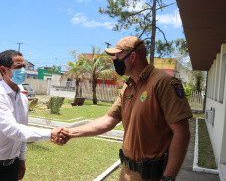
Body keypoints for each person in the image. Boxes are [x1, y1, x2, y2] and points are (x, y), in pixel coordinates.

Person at [54, 36, 192, 181]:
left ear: (132, 57)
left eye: (118, 56)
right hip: (126, 172)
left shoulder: (163, 83)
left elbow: (181, 133)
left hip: (151, 176)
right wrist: (70, 132)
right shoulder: (128, 87)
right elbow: (108, 120)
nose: (115, 61)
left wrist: (168, 178)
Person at [0, 50, 69, 181]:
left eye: (23, 67)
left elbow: (22, 130)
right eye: (18, 67)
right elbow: (12, 129)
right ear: (4, 70)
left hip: (13, 165)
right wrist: (51, 134)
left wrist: (22, 159)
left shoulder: (23, 99)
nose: (23, 71)